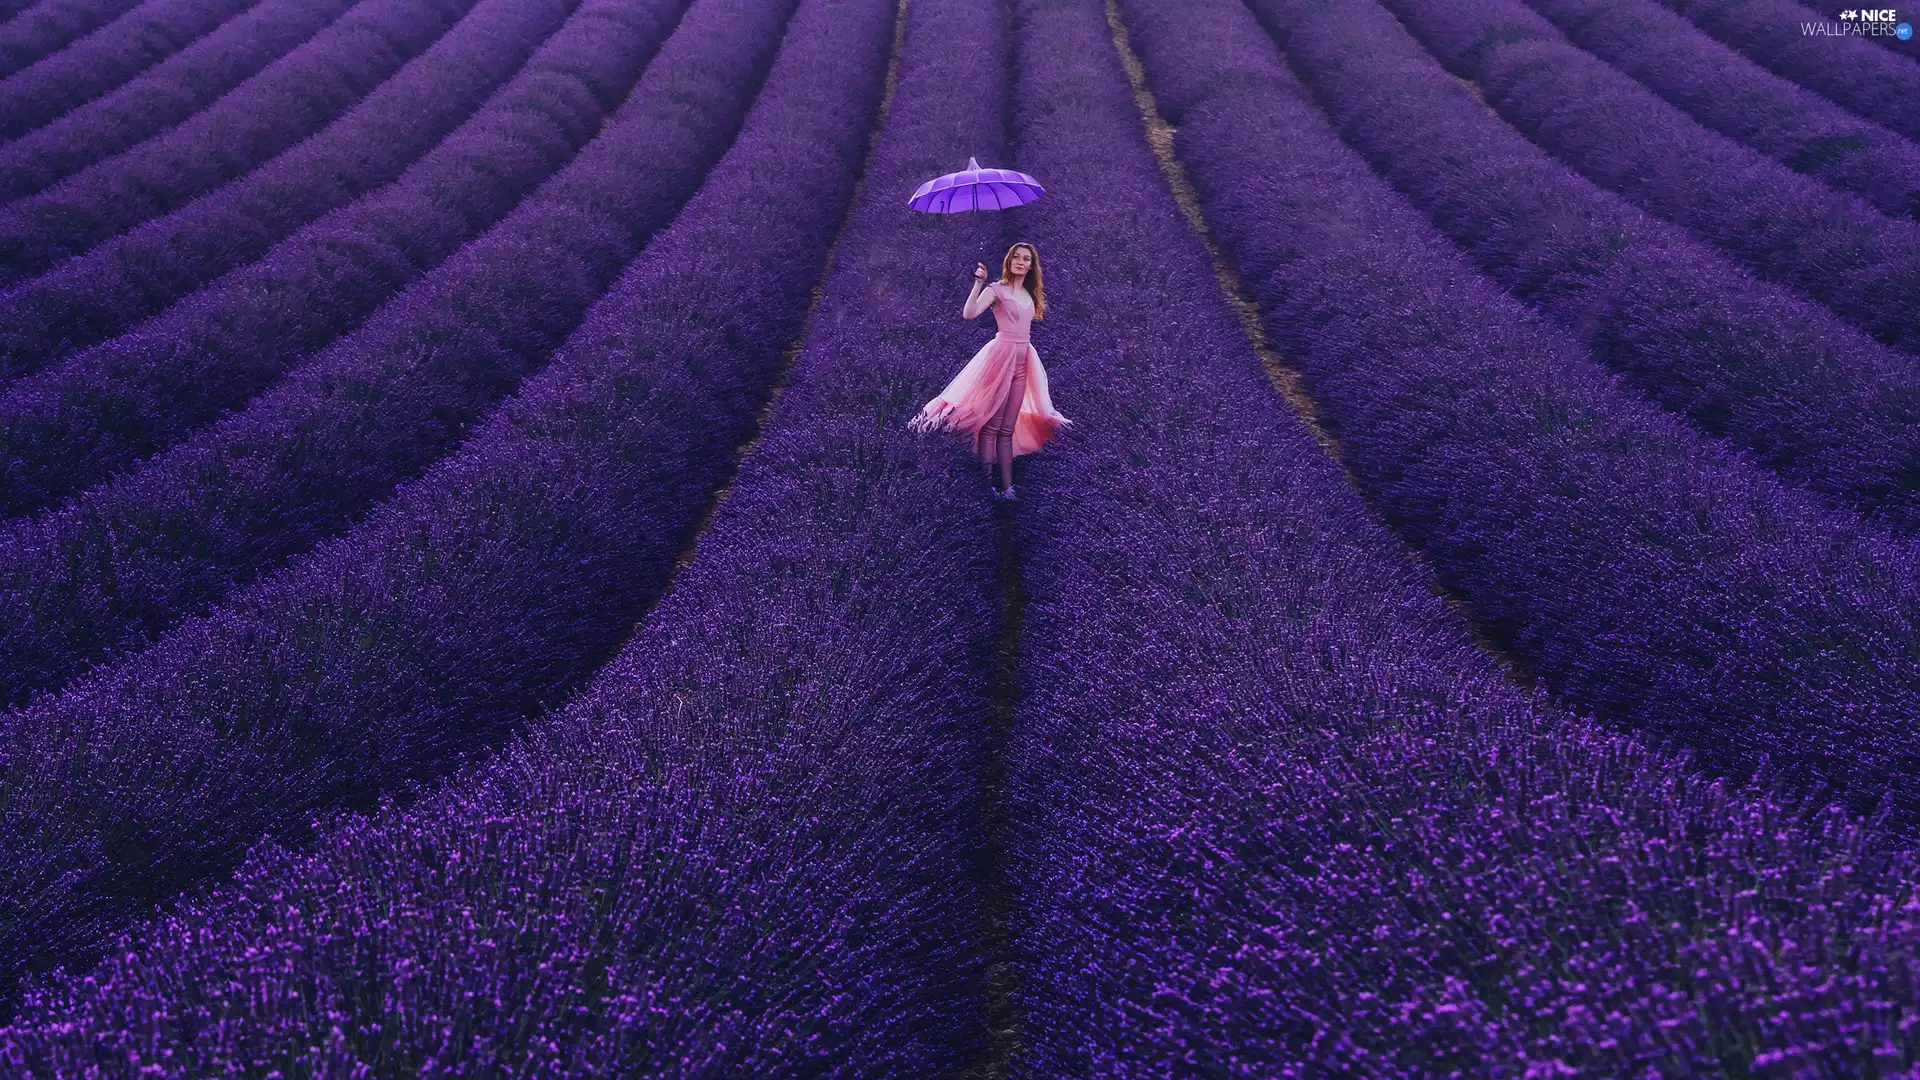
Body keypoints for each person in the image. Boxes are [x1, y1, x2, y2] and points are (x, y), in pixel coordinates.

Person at [908, 241, 1071, 500]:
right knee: (992, 427)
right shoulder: (997, 290)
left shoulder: (1030, 294)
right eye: (1016, 257)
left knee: (1006, 428)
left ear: (1032, 265)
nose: (1021, 262)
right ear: (1008, 261)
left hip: (1024, 360)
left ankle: (1007, 488)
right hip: (1002, 358)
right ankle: (986, 486)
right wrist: (978, 284)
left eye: (1026, 259)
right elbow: (969, 313)